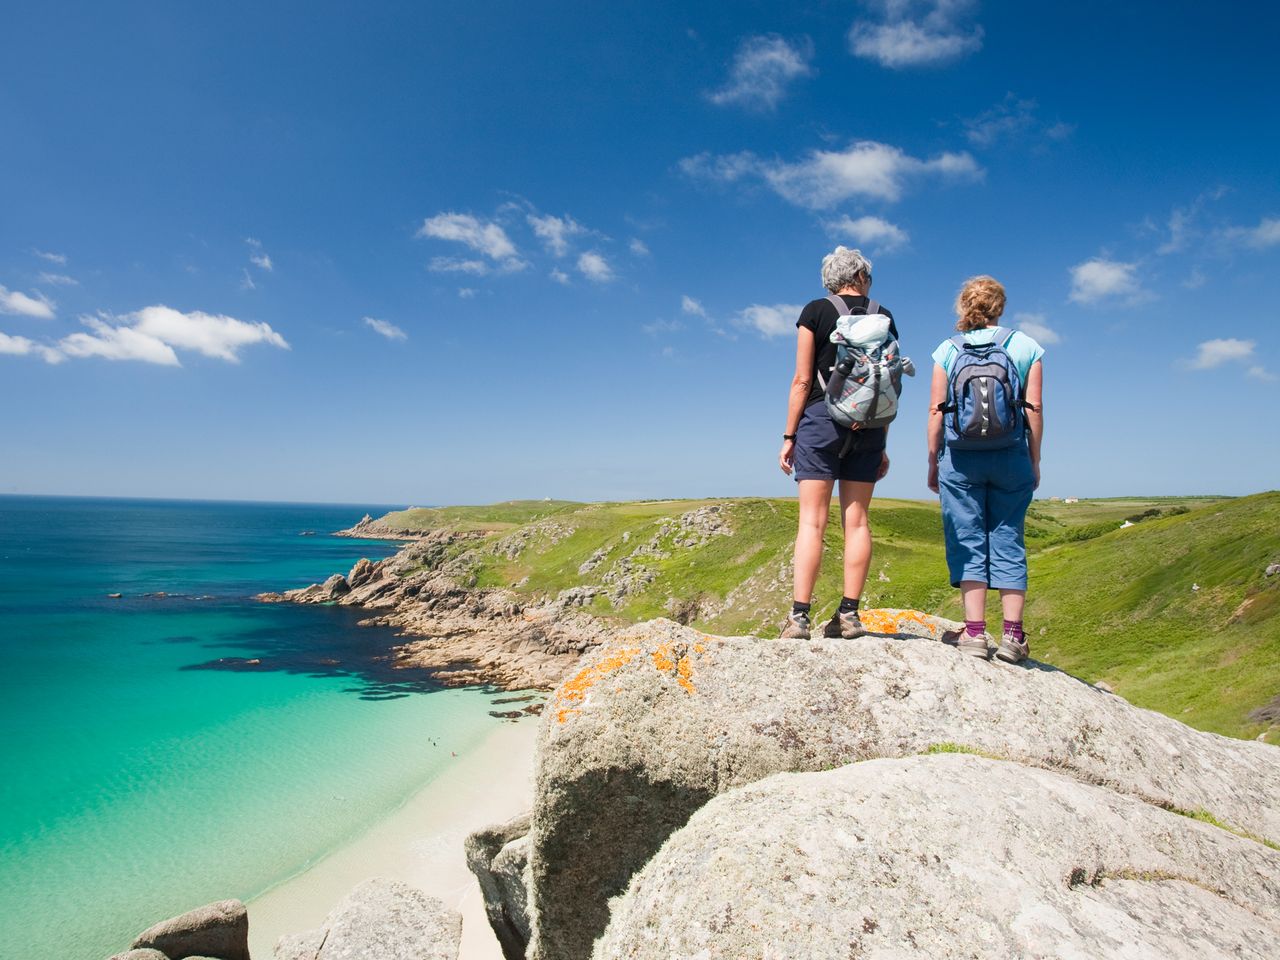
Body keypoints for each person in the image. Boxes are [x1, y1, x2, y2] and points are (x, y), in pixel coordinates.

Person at [779, 246, 896, 640]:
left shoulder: (816, 311)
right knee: (857, 521)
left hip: (821, 422)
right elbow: (889, 384)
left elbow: (801, 380)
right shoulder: (884, 315)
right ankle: (849, 615)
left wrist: (789, 435)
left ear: (830, 279)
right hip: (871, 426)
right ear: (862, 276)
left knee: (812, 522)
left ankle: (799, 618)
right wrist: (881, 441)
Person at [927, 276, 1044, 663]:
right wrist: (1034, 457)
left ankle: (975, 634)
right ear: (1001, 307)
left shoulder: (947, 349)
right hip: (1011, 455)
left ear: (964, 307)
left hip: (960, 459)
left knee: (968, 538)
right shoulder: (1026, 346)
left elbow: (935, 411)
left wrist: (933, 459)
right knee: (1008, 537)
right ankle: (1013, 637)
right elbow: (1034, 410)